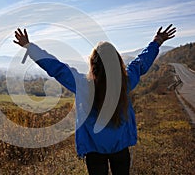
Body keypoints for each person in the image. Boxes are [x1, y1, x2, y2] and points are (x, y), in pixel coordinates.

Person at [13, 24, 176, 175]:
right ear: (116, 61)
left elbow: (56, 68)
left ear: (93, 63)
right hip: (120, 148)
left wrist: (30, 47)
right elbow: (140, 64)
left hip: (94, 151)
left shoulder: (82, 84)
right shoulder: (125, 81)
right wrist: (157, 41)